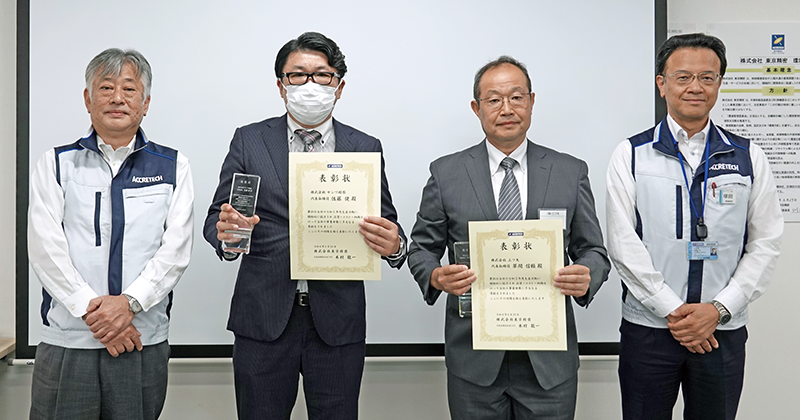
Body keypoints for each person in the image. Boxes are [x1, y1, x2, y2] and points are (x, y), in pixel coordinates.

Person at [203, 32, 407, 420]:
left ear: (339, 87)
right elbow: (218, 217)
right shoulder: (249, 140)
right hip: (263, 318)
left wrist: (395, 245)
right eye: (298, 75)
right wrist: (227, 233)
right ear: (281, 86)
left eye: (322, 75)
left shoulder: (364, 146)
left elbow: (389, 224)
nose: (310, 85)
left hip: (337, 322)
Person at [407, 56, 610, 420]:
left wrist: (587, 274)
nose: (507, 108)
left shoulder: (569, 171)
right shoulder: (447, 172)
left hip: (549, 363)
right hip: (474, 359)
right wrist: (436, 276)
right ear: (477, 107)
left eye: (517, 98)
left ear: (532, 102)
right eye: (494, 99)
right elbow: (422, 248)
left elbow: (593, 249)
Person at [606, 33, 783, 420]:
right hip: (650, 329)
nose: (695, 87)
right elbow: (622, 243)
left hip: (721, 330)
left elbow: (765, 243)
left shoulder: (747, 155)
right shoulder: (631, 154)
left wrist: (717, 310)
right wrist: (675, 311)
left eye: (707, 77)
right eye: (683, 76)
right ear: (662, 83)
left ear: (719, 83)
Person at [27, 48, 194, 419]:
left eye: (129, 89)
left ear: (145, 102)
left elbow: (176, 250)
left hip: (141, 341)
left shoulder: (173, 166)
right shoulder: (56, 163)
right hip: (69, 341)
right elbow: (45, 248)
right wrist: (97, 314)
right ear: (88, 99)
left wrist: (128, 304)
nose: (117, 98)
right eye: (106, 87)